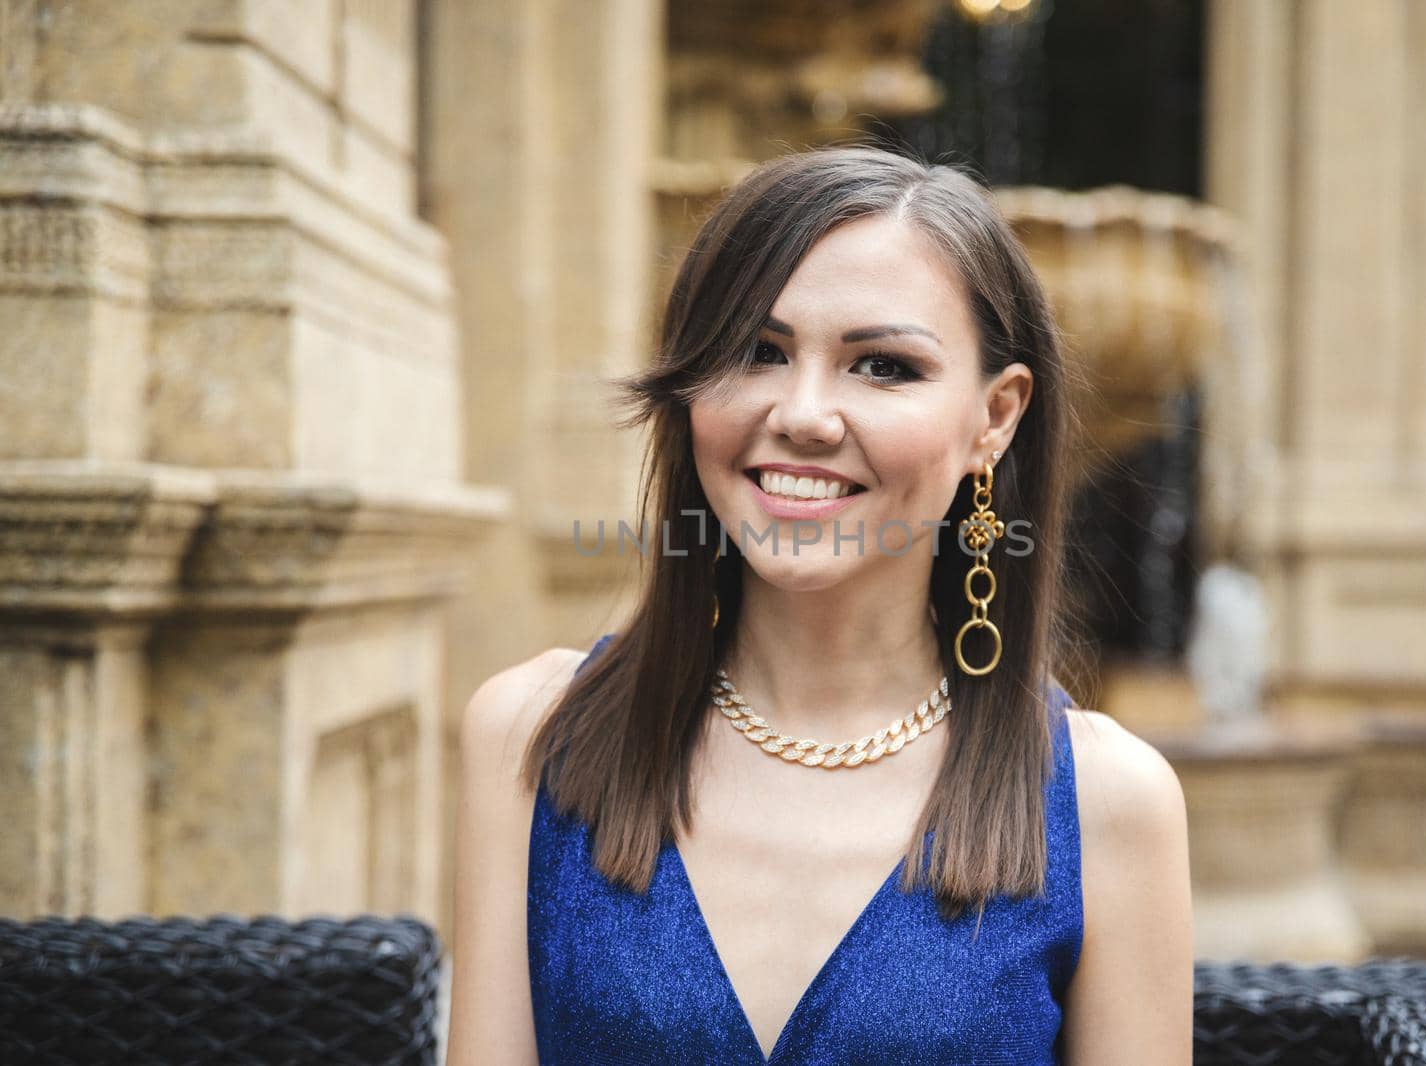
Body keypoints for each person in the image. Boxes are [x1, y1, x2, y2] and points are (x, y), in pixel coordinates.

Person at [447, 145, 1193, 1064]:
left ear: (994, 419)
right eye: (756, 352)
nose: (803, 414)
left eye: (881, 367)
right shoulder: (528, 734)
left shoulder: (1110, 802)